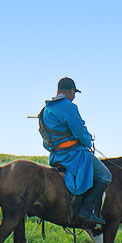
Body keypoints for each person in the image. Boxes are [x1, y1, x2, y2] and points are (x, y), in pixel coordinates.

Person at [38, 77, 112, 225]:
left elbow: (44, 136)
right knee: (105, 175)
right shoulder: (69, 107)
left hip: (55, 156)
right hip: (73, 155)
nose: (74, 96)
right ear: (71, 91)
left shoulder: (45, 110)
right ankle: (85, 211)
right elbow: (79, 132)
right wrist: (88, 140)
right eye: (74, 93)